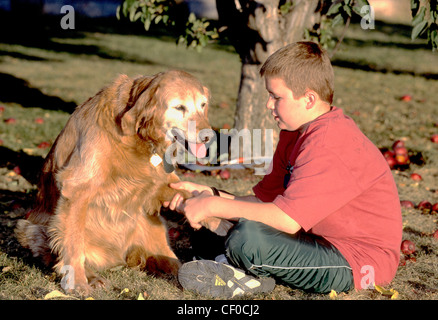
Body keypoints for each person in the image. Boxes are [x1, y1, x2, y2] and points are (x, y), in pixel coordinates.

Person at [164, 41, 402, 298]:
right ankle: (243, 273)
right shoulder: (294, 132)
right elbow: (265, 201)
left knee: (246, 238)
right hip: (314, 241)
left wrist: (213, 207)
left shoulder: (330, 142)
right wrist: (211, 194)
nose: (268, 104)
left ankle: (241, 272)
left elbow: (286, 220)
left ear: (309, 99)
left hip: (357, 263)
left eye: (276, 97)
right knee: (208, 229)